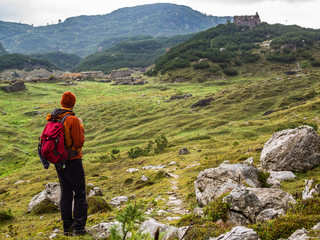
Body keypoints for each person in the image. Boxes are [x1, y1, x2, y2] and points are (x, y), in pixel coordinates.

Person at [46, 91, 87, 236]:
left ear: (62, 103)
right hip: (73, 161)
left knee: (66, 194)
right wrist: (81, 126)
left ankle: (67, 229)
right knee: (80, 194)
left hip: (59, 161)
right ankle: (79, 228)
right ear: (73, 103)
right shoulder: (73, 120)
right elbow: (79, 142)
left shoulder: (54, 118)